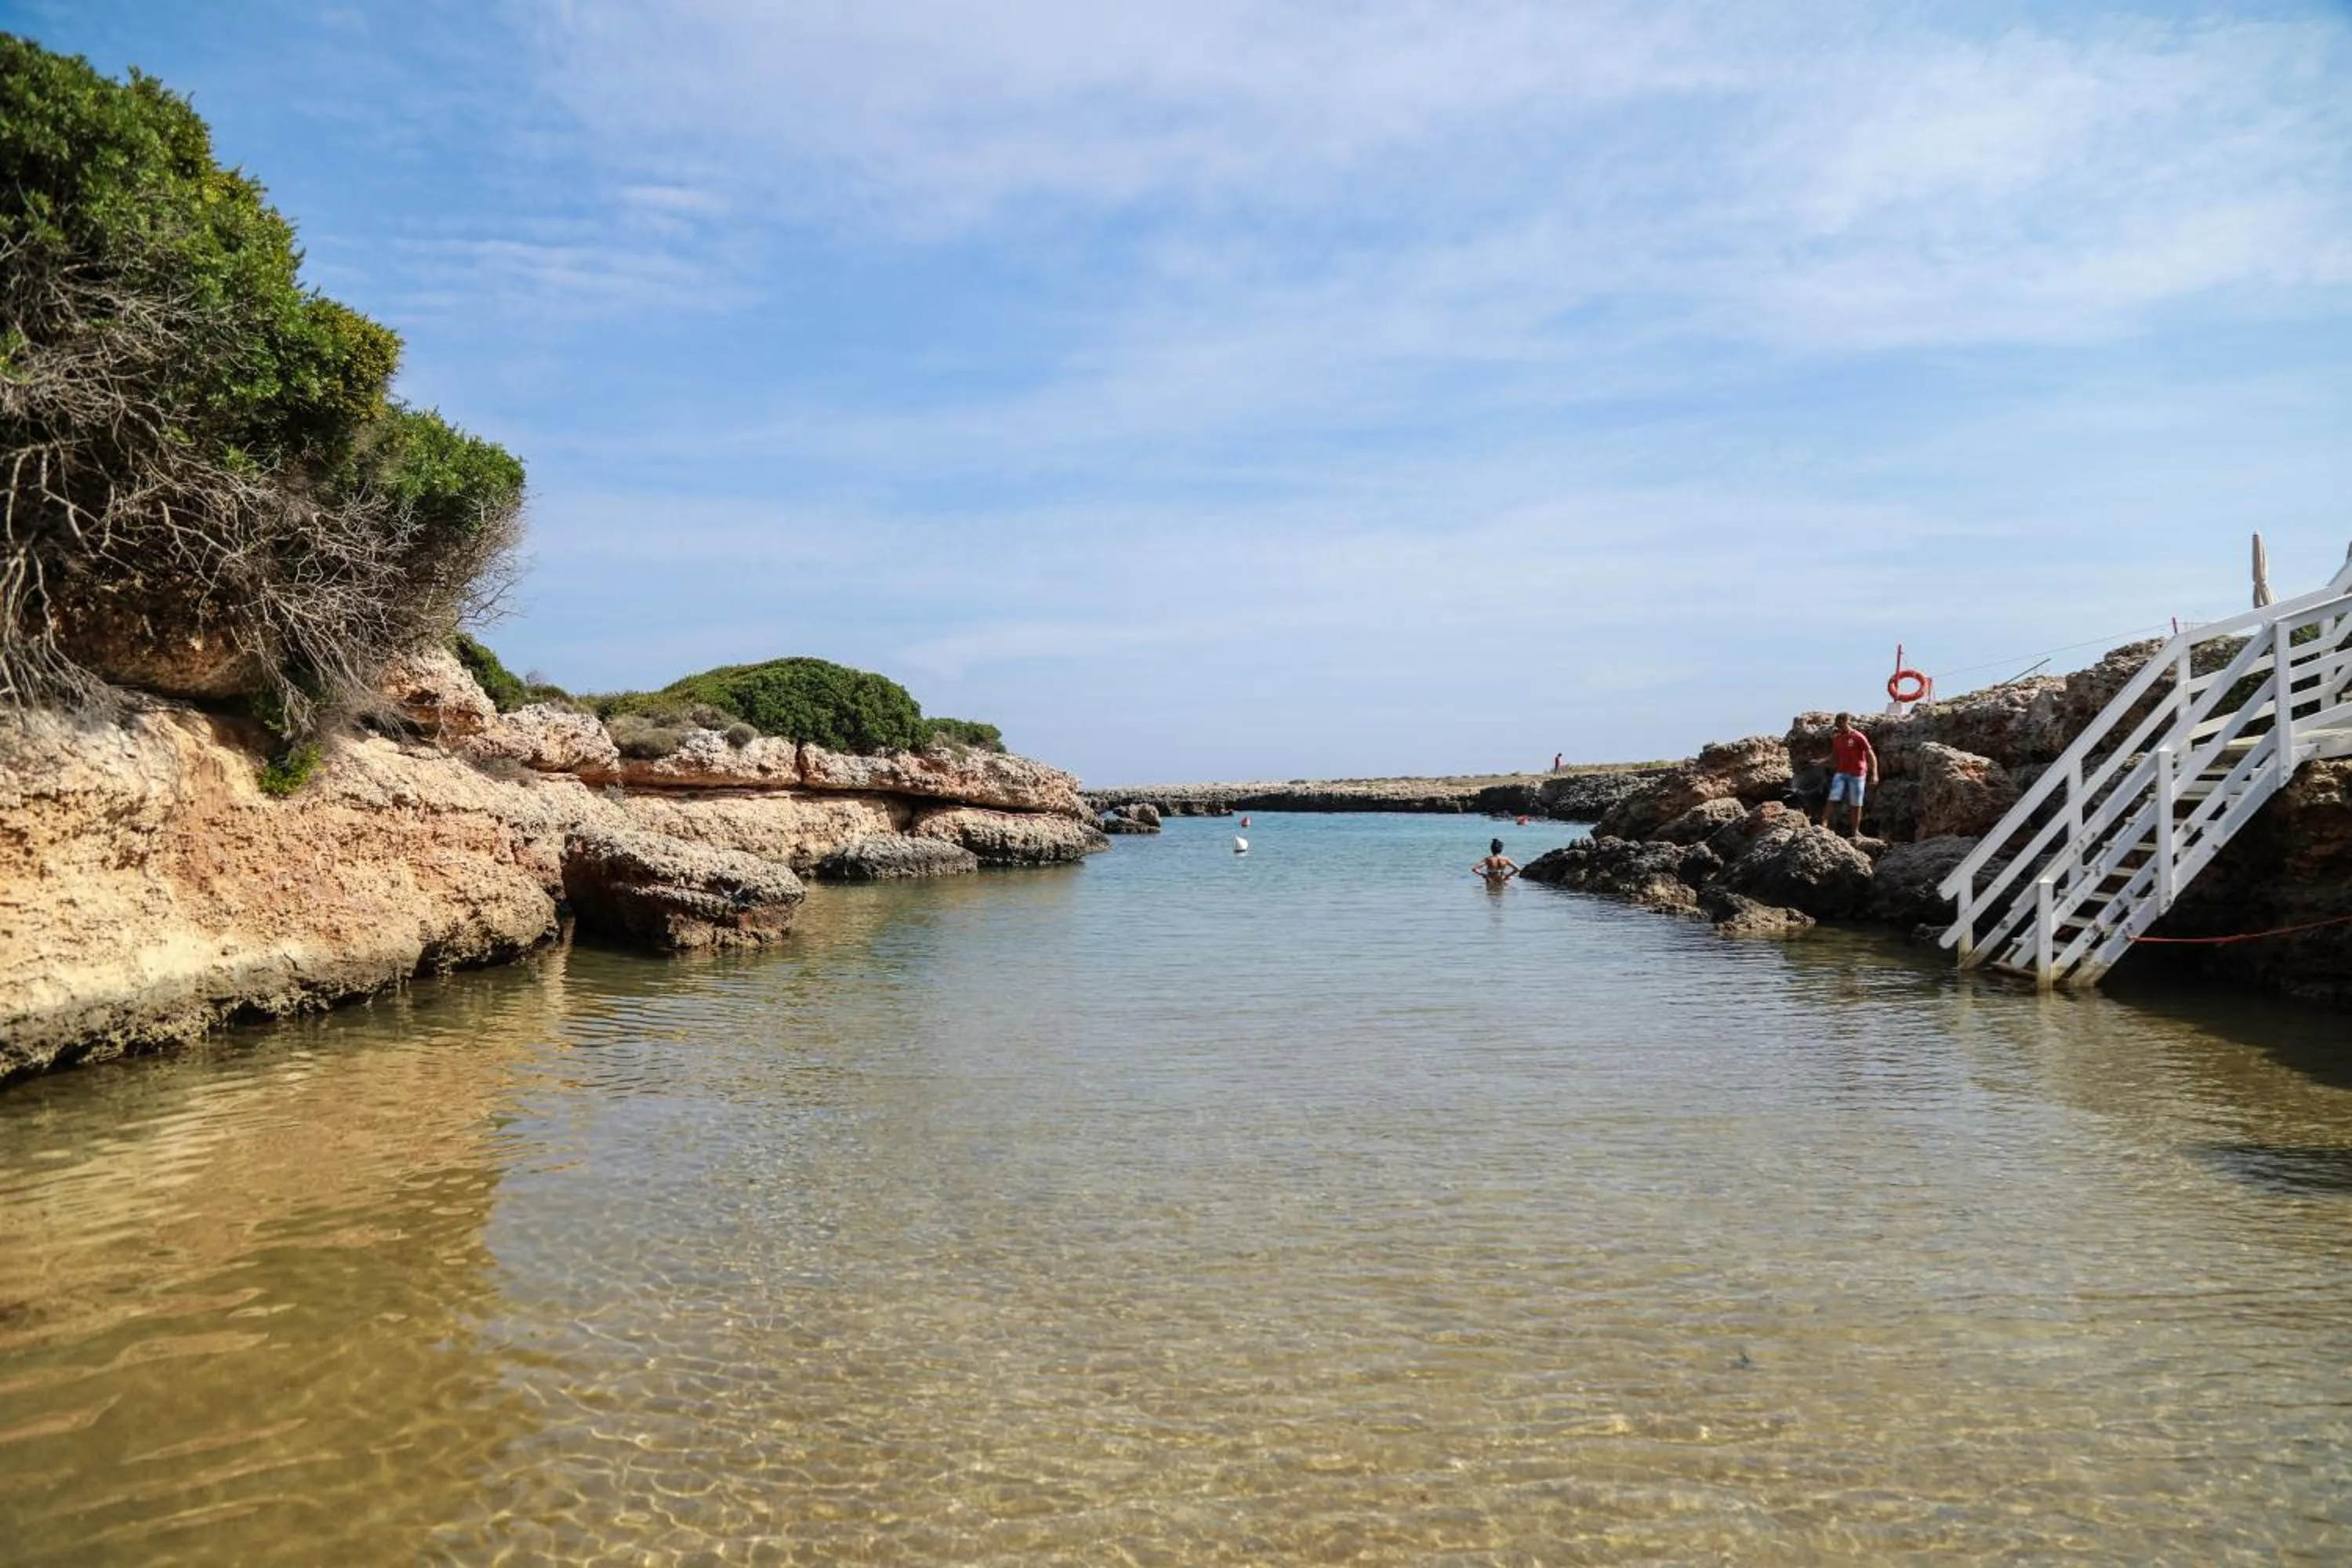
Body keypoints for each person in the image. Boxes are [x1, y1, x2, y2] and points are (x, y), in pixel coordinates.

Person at [1819, 712, 1878, 835]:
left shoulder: (1858, 737)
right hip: (1841, 773)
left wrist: (1874, 773)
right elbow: (1834, 756)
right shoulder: (1837, 739)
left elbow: (1870, 755)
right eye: (1837, 725)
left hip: (1858, 774)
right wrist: (1820, 761)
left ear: (1847, 722)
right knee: (1833, 798)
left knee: (1856, 804)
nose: (1838, 727)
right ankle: (1824, 823)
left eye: (1840, 724)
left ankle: (1855, 831)